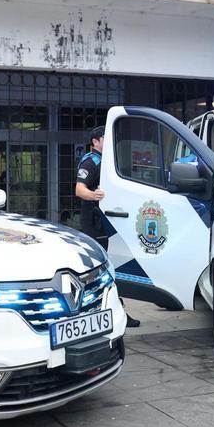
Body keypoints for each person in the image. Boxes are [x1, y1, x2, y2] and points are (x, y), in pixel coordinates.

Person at [75, 126, 139, 328]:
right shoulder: (91, 161)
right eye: (105, 137)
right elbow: (79, 189)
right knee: (102, 270)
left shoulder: (105, 162)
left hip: (104, 223)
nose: (108, 140)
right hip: (94, 224)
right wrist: (95, 195)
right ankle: (110, 312)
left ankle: (114, 312)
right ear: (95, 141)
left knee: (109, 268)